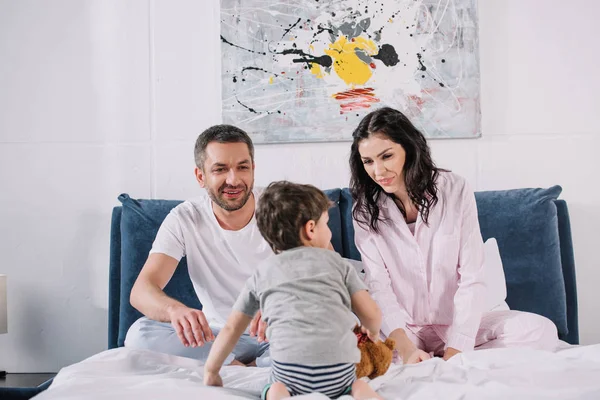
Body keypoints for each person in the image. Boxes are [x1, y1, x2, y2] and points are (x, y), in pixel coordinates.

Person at [349, 107, 558, 364]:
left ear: (408, 148)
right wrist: (405, 349)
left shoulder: (454, 189)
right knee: (349, 351)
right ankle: (425, 361)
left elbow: (472, 276)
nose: (378, 171)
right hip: (401, 330)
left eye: (387, 156)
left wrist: (457, 347)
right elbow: (378, 286)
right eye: (368, 161)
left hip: (456, 325)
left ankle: (449, 362)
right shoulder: (364, 210)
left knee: (540, 331)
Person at [203, 181, 383, 400]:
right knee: (357, 384)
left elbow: (232, 328)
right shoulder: (338, 264)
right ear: (310, 229)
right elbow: (371, 312)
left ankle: (279, 393)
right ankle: (361, 393)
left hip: (291, 374)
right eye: (326, 224)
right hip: (338, 373)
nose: (329, 232)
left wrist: (212, 371)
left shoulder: (263, 273)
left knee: (275, 386)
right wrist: (371, 332)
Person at [125, 124, 272, 366]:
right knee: (141, 334)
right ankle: (248, 371)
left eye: (242, 167)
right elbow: (142, 291)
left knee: (329, 337)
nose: (233, 180)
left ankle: (231, 370)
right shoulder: (184, 218)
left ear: (253, 170)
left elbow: (325, 276)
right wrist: (174, 311)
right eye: (220, 169)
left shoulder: (282, 205)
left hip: (280, 334)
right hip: (218, 336)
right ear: (200, 176)